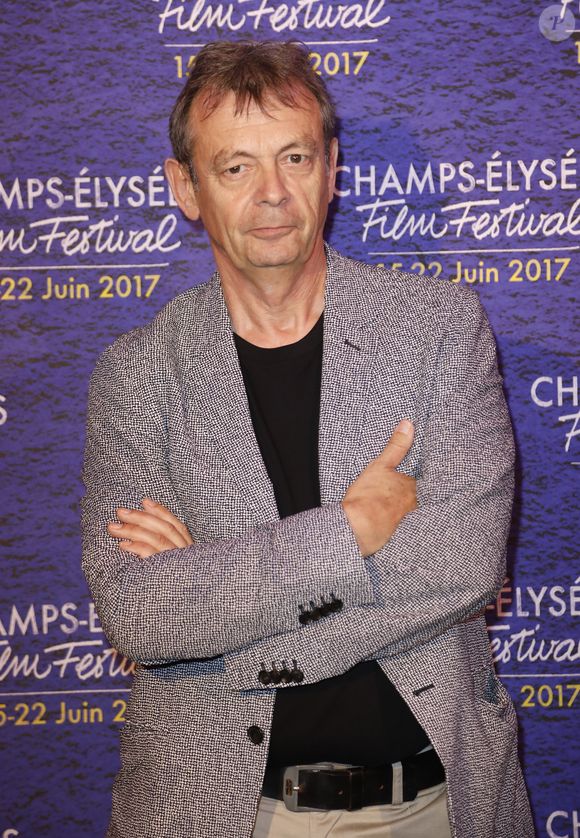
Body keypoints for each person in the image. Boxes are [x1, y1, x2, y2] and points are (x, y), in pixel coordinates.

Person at [81, 40, 534, 838]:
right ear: (184, 187)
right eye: (235, 168)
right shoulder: (137, 374)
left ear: (332, 169)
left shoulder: (438, 331)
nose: (273, 195)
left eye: (294, 157)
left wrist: (221, 626)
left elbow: (461, 568)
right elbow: (142, 617)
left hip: (435, 805)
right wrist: (350, 533)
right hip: (222, 815)